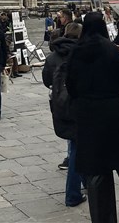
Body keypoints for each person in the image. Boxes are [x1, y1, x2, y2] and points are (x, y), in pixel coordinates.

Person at [66, 11, 119, 223]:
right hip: (115, 114)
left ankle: (102, 219)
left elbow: (70, 87)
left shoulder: (76, 52)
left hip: (88, 115)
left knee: (96, 169)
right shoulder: (111, 50)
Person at [42, 22, 86, 207]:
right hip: (80, 105)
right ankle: (73, 194)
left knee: (76, 144)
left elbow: (46, 80)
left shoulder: (53, 56)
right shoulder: (83, 53)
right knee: (78, 147)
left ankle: (85, 182)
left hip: (60, 105)